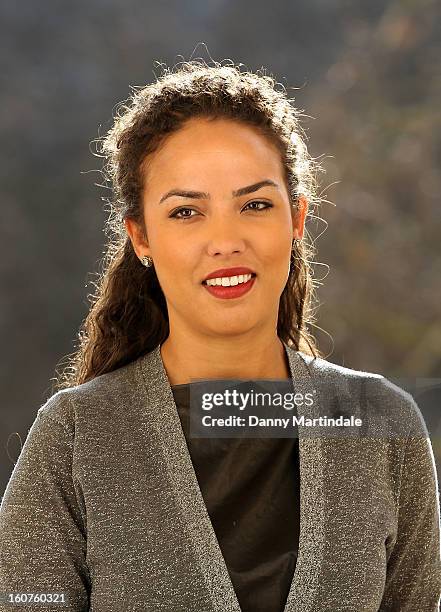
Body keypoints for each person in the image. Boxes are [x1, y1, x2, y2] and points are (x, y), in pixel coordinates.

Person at [1, 60, 440, 612]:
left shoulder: (381, 425)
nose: (225, 241)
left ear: (297, 218)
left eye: (255, 205)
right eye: (187, 212)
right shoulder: (74, 437)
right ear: (141, 237)